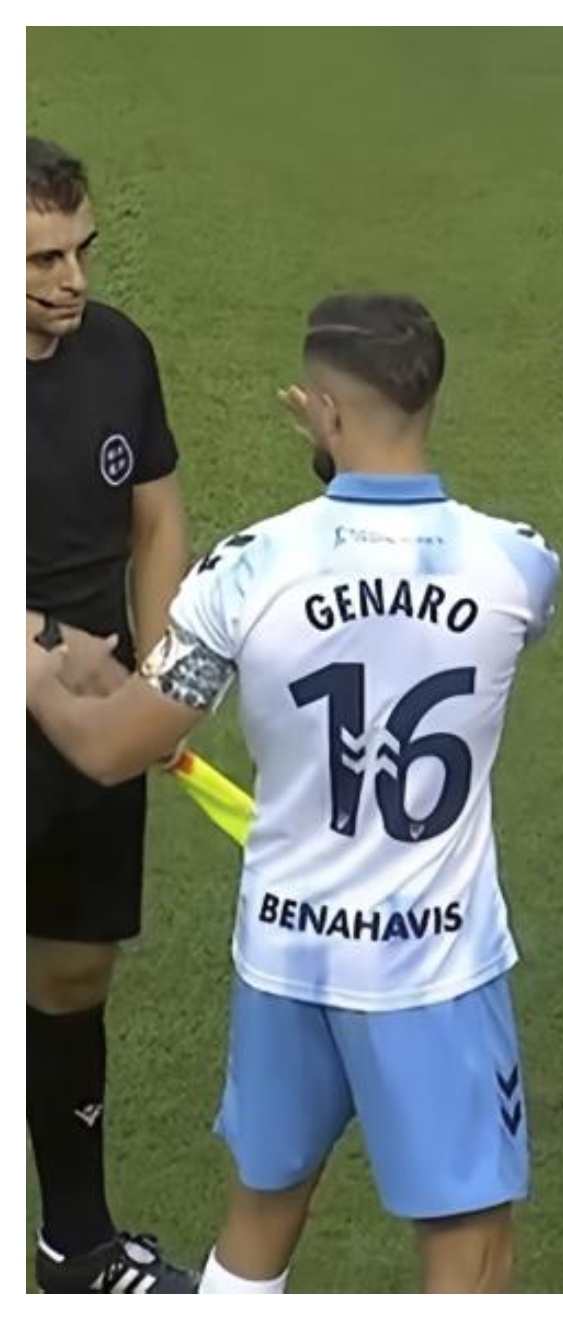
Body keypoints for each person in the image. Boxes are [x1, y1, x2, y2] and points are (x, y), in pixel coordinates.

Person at [26, 293, 561, 1294]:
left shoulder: (245, 572)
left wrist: (40, 669)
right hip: (431, 968)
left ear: (321, 410)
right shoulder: (519, 567)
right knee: (471, 1255)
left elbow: (110, 748)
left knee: (257, 1226)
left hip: (285, 956)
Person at [25, 134, 196, 1294]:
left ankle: (74, 1243)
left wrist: (164, 673)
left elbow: (156, 520)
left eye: (81, 251)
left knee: (76, 971)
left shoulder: (120, 349)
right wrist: (47, 647)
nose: (71, 281)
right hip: (39, 688)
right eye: (39, 259)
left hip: (91, 728)